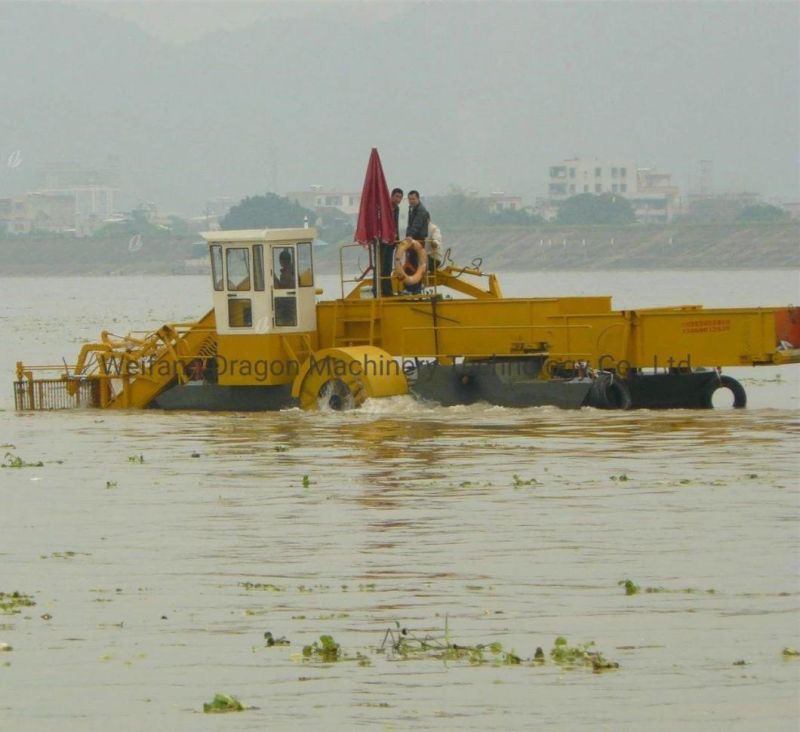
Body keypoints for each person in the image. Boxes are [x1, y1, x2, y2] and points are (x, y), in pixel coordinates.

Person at [378, 188, 403, 297]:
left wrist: (397, 239)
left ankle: (387, 290)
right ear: (391, 196)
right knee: (382, 266)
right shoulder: (384, 207)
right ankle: (384, 290)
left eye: (400, 197)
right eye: (396, 196)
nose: (398, 199)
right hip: (382, 241)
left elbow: (395, 224)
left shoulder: (396, 209)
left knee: (388, 266)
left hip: (391, 241)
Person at [404, 190, 430, 293]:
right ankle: (412, 288)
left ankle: (415, 288)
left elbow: (416, 225)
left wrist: (410, 235)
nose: (411, 201)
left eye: (413, 199)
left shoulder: (421, 211)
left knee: (415, 265)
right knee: (411, 263)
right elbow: (410, 225)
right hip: (413, 241)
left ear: (418, 199)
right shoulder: (412, 209)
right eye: (410, 199)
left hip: (418, 241)